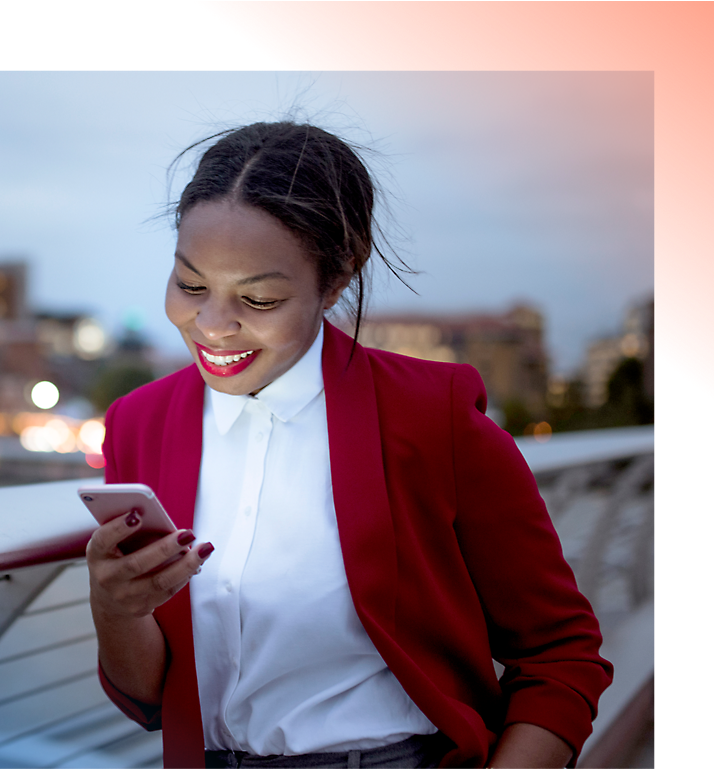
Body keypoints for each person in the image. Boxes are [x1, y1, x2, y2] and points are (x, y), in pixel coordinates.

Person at [86, 121, 613, 769]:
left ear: (336, 282)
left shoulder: (432, 417)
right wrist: (116, 607)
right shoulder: (139, 422)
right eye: (191, 285)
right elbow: (147, 699)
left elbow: (560, 655)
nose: (214, 325)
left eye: (259, 297)